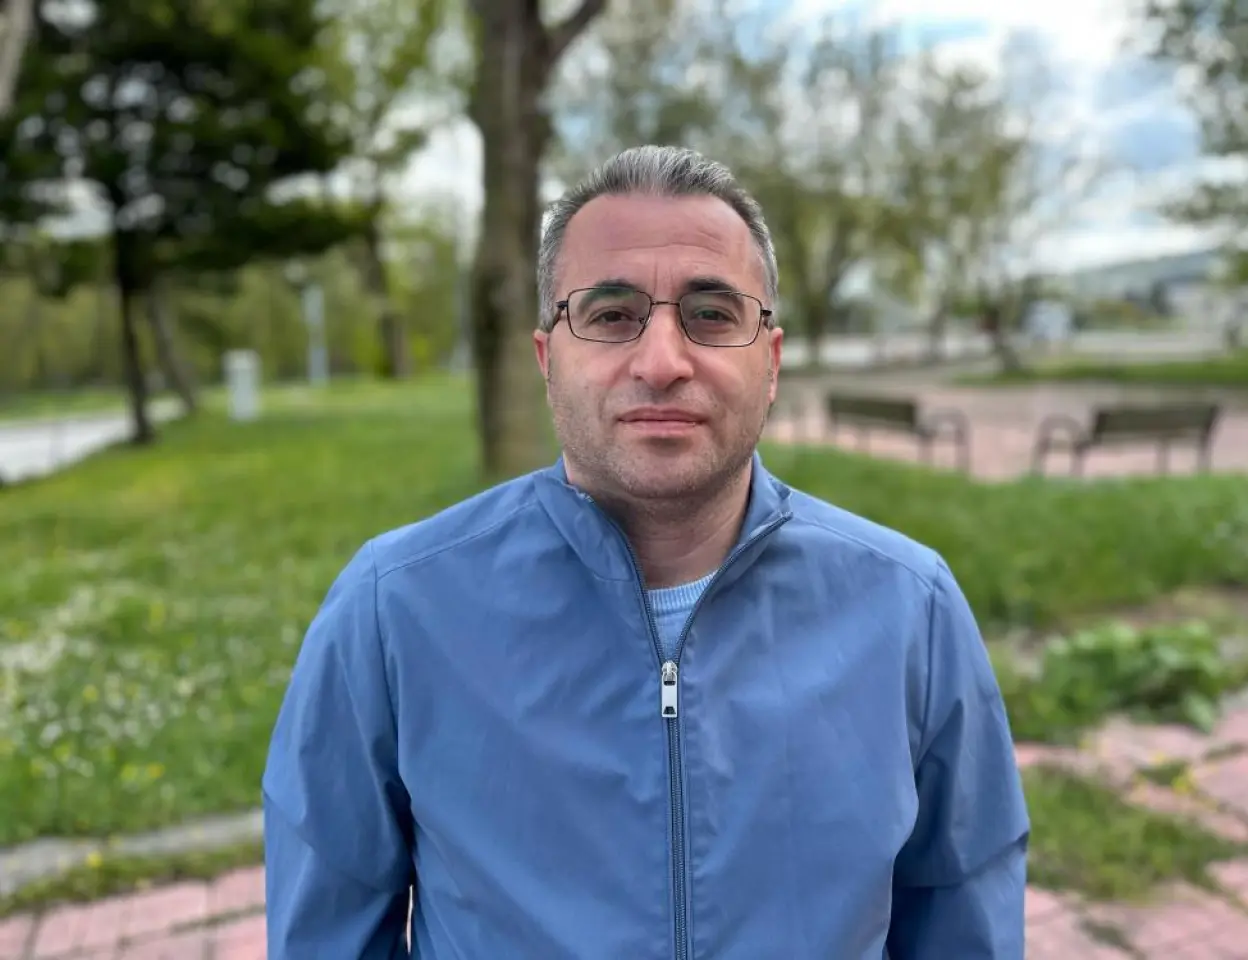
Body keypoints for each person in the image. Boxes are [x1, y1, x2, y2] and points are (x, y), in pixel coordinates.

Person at [262, 144, 1030, 959]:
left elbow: (963, 926)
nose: (662, 363)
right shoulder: (394, 609)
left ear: (770, 362)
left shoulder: (909, 607)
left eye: (712, 314)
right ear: (548, 358)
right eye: (610, 314)